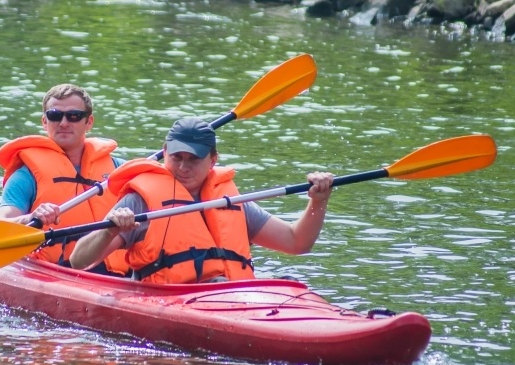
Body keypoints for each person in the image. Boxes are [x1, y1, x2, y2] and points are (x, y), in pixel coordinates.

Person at [70, 117, 334, 284]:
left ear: (213, 161)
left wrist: (318, 202)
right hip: (169, 300)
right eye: (176, 157)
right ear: (164, 153)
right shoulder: (139, 201)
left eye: (194, 159)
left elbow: (296, 242)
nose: (183, 167)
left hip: (232, 297)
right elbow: (79, 261)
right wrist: (110, 231)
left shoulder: (229, 200)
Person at [0, 83, 128, 275]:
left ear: (89, 122)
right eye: (55, 115)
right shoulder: (26, 175)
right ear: (44, 121)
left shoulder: (118, 170)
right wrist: (31, 217)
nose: (64, 123)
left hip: (116, 274)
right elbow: (0, 226)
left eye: (74, 116)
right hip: (53, 272)